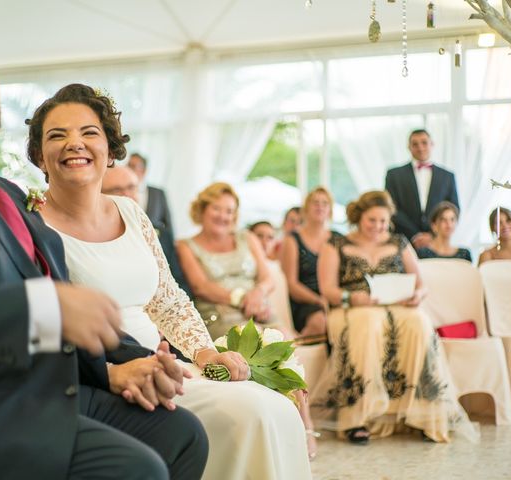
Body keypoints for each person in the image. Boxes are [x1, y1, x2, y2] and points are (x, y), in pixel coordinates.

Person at [0, 23, 209, 480]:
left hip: (50, 387)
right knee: (137, 468)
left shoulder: (6, 194)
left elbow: (69, 306)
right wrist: (44, 307)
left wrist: (135, 362)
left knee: (182, 433)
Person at [26, 84, 312, 480]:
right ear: (40, 155)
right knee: (249, 417)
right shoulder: (28, 224)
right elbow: (38, 324)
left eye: (89, 132)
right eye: (57, 135)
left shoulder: (131, 211)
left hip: (166, 364)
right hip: (100, 377)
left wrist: (205, 354)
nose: (74, 143)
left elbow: (168, 300)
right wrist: (115, 370)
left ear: (110, 148)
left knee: (275, 408)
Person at [312, 191, 477, 444]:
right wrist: (352, 298)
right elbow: (327, 289)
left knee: (418, 323)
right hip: (351, 308)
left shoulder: (399, 243)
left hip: (396, 306)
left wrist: (417, 296)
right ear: (359, 217)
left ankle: (422, 414)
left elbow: (422, 285)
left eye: (383, 221)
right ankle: (356, 416)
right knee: (368, 323)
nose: (378, 227)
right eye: (372, 221)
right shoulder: (336, 244)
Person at [177, 182, 276, 340]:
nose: (223, 216)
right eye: (216, 208)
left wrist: (258, 294)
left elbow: (268, 278)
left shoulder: (248, 238)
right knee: (253, 343)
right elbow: (200, 287)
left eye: (229, 211)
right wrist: (244, 299)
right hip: (220, 316)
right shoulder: (185, 246)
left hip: (259, 311)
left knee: (286, 340)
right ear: (202, 209)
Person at [102, 165, 191, 296]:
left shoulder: (162, 233)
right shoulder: (94, 236)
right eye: (116, 190)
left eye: (131, 188)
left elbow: (179, 283)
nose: (127, 196)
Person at [281, 186, 343, 338]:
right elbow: (291, 284)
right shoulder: (292, 239)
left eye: (325, 203)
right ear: (306, 208)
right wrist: (318, 300)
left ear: (330, 210)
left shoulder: (338, 239)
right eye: (315, 202)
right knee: (319, 321)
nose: (320, 206)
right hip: (304, 301)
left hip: (334, 298)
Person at [385, 129, 459, 250]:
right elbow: (391, 208)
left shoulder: (447, 176)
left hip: (437, 242)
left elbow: (453, 208)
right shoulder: (393, 175)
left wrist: (432, 234)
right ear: (409, 147)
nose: (420, 147)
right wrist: (415, 235)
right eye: (415, 144)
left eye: (424, 142)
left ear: (432, 144)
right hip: (403, 241)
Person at [128, 152, 173, 233]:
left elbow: (168, 226)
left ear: (144, 170)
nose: (129, 170)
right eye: (128, 166)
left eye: (133, 166)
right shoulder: (120, 192)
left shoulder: (158, 194)